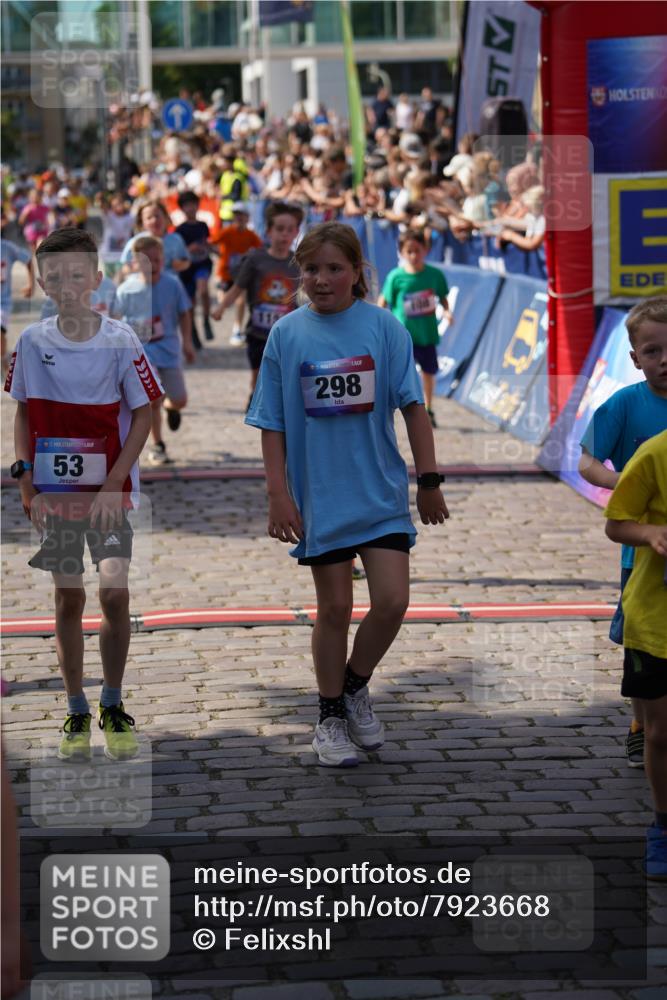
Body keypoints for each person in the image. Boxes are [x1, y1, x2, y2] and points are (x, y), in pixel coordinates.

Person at [245, 221, 449, 767]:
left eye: (335, 268)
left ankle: (354, 685)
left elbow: (413, 407)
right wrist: (276, 495)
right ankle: (329, 715)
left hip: (379, 491)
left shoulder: (385, 328)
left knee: (392, 601)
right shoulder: (287, 335)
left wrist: (428, 481)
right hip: (319, 497)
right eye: (311, 269)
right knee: (333, 607)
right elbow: (271, 422)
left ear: (358, 271)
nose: (322, 279)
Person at [4, 227, 161, 762]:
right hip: (54, 495)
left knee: (114, 593)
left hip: (109, 495)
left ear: (97, 278)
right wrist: (25, 478)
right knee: (69, 597)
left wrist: (116, 480)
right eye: (55, 277)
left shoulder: (120, 339)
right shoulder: (31, 342)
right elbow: (23, 410)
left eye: (78, 275)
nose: (67, 286)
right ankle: (75, 707)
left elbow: (144, 412)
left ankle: (112, 702)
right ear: (41, 283)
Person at [579, 296, 667, 767]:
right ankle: (643, 721)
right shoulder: (624, 405)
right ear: (634, 359)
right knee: (643, 640)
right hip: (642, 551)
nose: (664, 360)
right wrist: (624, 482)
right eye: (652, 352)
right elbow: (586, 461)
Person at [604, 429, 667, 880]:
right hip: (655, 623)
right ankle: (663, 828)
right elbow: (616, 523)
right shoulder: (655, 453)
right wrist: (650, 533)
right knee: (662, 734)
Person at [212, 201, 302, 411]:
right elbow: (238, 287)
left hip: (286, 332)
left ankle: (274, 402)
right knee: (258, 371)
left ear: (297, 232)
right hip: (258, 331)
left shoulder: (299, 262)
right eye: (279, 229)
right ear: (268, 231)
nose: (284, 235)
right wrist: (221, 307)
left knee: (282, 371)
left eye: (290, 230)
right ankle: (256, 394)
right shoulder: (256, 259)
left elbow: (307, 294)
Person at [113, 235, 195, 466]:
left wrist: (187, 342)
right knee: (152, 400)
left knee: (179, 399)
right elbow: (116, 322)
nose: (153, 263)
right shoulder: (125, 290)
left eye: (157, 259)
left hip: (168, 349)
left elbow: (184, 313)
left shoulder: (173, 284)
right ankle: (158, 445)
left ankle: (172, 408)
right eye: (146, 259)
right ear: (135, 261)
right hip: (141, 354)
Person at [378, 229, 453, 427]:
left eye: (417, 251)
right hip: (402, 337)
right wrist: (378, 323)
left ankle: (428, 409)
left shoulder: (434, 275)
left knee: (428, 372)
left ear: (425, 250)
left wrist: (446, 311)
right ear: (401, 252)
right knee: (398, 374)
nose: (413, 255)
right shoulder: (395, 277)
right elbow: (383, 302)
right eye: (408, 251)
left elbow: (443, 297)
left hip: (426, 335)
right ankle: (392, 409)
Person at [214, 201, 262, 346]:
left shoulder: (251, 235)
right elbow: (211, 242)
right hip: (225, 273)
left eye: (242, 215)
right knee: (224, 301)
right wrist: (219, 255)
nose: (239, 218)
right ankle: (221, 297)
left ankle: (237, 329)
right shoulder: (227, 232)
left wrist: (251, 257)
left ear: (248, 217)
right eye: (236, 215)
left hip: (241, 274)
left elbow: (261, 250)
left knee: (240, 301)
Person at [175, 190, 215, 343]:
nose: (191, 208)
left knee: (203, 290)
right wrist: (188, 249)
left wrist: (212, 248)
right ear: (182, 209)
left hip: (202, 264)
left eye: (193, 204)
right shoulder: (180, 230)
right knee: (189, 302)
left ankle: (206, 320)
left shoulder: (203, 226)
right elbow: (178, 251)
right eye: (187, 205)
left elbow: (206, 242)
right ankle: (193, 330)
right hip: (187, 269)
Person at [1, 209, 34, 372]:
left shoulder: (7, 248)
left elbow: (28, 260)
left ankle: (4, 364)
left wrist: (31, 285)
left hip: (2, 301)